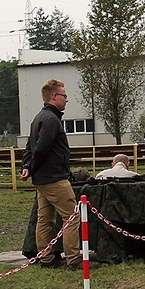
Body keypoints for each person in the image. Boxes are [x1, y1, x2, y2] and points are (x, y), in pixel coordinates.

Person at [21, 79, 96, 270]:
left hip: (41, 179)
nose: (67, 100)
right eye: (64, 95)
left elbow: (30, 146)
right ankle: (74, 259)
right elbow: (41, 148)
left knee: (44, 219)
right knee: (72, 217)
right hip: (54, 178)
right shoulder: (51, 120)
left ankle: (46, 258)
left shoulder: (38, 117)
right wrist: (32, 165)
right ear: (54, 97)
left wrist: (27, 167)